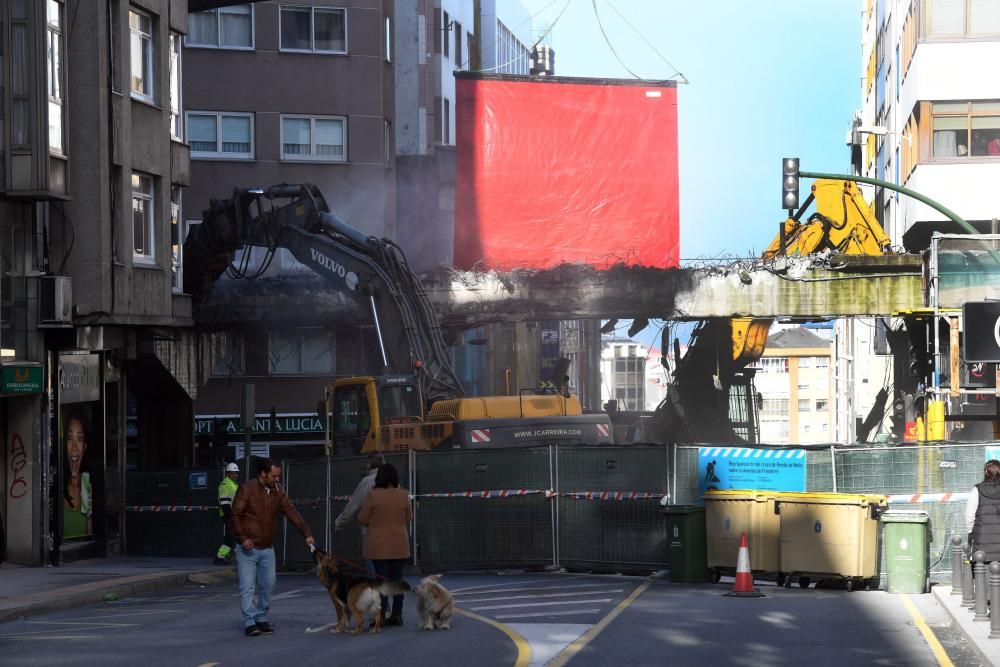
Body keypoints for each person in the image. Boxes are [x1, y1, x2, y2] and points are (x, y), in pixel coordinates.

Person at [231, 458, 315, 637]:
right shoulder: (247, 489)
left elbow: (291, 512)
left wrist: (306, 533)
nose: (277, 479)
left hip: (267, 547)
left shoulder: (278, 492)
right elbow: (235, 515)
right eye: (274, 476)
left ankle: (261, 617)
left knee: (268, 585)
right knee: (247, 587)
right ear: (263, 474)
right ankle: (249, 622)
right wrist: (242, 538)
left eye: (278, 476)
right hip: (248, 547)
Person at [359, 463, 412, 627]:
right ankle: (397, 615)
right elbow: (408, 517)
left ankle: (380, 616)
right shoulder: (404, 494)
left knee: (381, 581)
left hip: (378, 546)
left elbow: (362, 518)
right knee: (397, 580)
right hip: (399, 544)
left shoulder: (373, 496)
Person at [333, 451, 385, 574]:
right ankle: (388, 590)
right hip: (392, 530)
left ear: (369, 464)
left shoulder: (367, 481)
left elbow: (353, 504)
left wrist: (339, 522)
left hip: (371, 529)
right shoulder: (392, 480)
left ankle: (375, 589)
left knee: (372, 563)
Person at [63, 412, 92, 539]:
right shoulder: (56, 484)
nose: (74, 447)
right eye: (70, 438)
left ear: (85, 446)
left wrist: (90, 517)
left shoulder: (88, 486)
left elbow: (89, 539)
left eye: (79, 439)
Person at [967, 459, 1000, 562]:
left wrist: (970, 532)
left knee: (983, 575)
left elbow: (970, 516)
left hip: (982, 541)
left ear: (986, 472)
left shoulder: (977, 490)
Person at [214, 463, 241, 565]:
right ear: (228, 473)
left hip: (234, 515)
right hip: (229, 515)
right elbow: (225, 503)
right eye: (233, 473)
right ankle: (239, 557)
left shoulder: (233, 484)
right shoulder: (225, 484)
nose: (235, 475)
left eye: (236, 473)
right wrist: (231, 516)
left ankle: (219, 557)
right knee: (233, 536)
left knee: (229, 537)